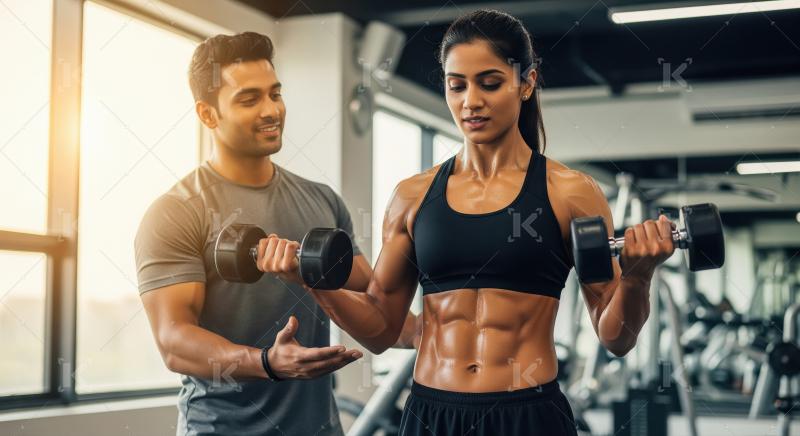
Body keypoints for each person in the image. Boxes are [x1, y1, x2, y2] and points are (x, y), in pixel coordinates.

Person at [258, 9, 676, 436]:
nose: (470, 101)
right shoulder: (413, 196)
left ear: (526, 82)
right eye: (456, 86)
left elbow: (615, 338)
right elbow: (382, 327)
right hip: (431, 414)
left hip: (528, 415)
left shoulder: (571, 192)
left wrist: (638, 277)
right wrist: (312, 279)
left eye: (490, 83)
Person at [135, 32, 419, 436]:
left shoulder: (322, 201)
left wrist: (429, 334)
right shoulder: (177, 211)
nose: (271, 110)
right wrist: (267, 363)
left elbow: (373, 297)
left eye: (275, 94)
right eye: (249, 100)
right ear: (208, 114)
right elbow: (174, 341)